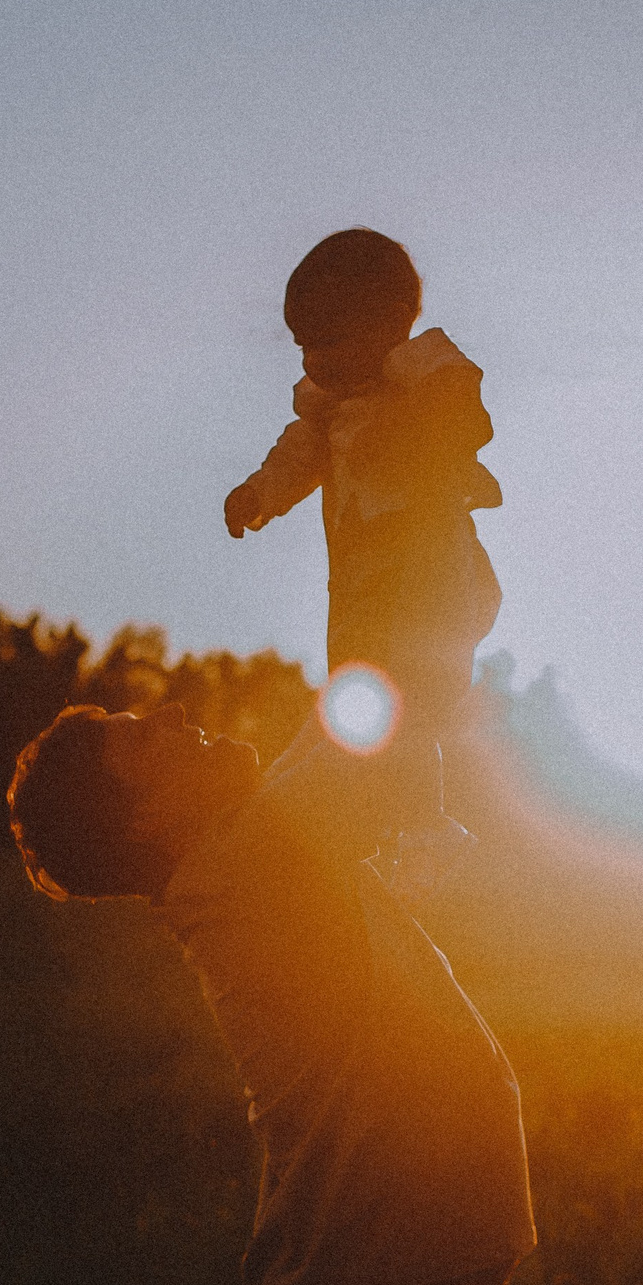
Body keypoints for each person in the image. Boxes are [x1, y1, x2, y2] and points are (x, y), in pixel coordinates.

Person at [7, 699, 536, 1285]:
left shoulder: (244, 863)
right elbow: (395, 677)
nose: (175, 710)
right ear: (148, 814)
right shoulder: (255, 861)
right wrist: (356, 558)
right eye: (144, 735)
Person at [224, 228, 503, 898]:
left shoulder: (425, 372)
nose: (315, 361)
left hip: (429, 570)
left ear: (386, 324)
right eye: (303, 347)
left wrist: (429, 422)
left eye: (329, 341)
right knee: (363, 697)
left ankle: (425, 826)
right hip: (359, 585)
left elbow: (467, 413)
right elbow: (297, 456)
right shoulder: (326, 415)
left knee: (414, 694)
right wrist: (259, 495)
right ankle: (385, 824)